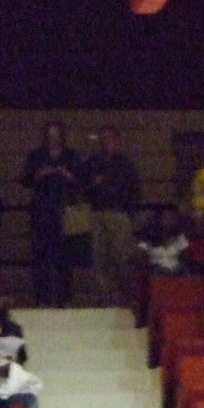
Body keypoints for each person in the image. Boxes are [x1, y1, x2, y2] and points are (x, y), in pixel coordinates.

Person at [19, 120, 83, 307]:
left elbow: (81, 180)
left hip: (64, 210)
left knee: (65, 257)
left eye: (56, 134)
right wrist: (39, 174)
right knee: (41, 257)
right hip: (42, 212)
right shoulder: (37, 155)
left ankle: (65, 298)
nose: (53, 138)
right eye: (50, 134)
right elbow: (25, 179)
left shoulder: (71, 156)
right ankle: (42, 299)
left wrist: (67, 175)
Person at [84, 125, 142, 307]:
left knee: (122, 256)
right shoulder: (93, 163)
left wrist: (129, 212)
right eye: (102, 138)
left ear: (117, 140)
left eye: (109, 138)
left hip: (118, 213)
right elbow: (82, 188)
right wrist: (94, 185)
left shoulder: (125, 164)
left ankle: (125, 297)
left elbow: (134, 190)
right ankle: (106, 298)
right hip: (97, 213)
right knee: (100, 257)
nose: (105, 142)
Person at [137, 206, 191, 275]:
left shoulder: (180, 237)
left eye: (171, 219)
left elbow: (186, 258)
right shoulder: (148, 236)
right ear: (159, 219)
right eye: (166, 218)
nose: (168, 221)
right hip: (154, 273)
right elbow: (141, 257)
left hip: (175, 273)